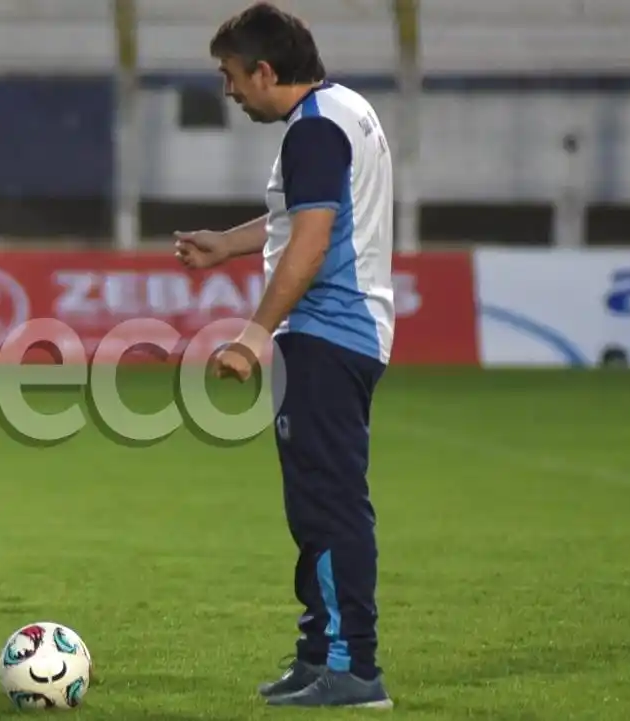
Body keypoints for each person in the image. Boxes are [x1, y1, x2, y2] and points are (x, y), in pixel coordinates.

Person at [174, 2, 396, 709]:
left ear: (265, 70)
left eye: (232, 76)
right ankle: (319, 650)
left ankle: (352, 666)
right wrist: (227, 243)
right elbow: (300, 219)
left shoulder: (315, 131)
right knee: (315, 504)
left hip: (328, 331)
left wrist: (253, 332)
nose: (230, 92)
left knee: (328, 504)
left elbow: (310, 243)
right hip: (345, 332)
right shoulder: (340, 110)